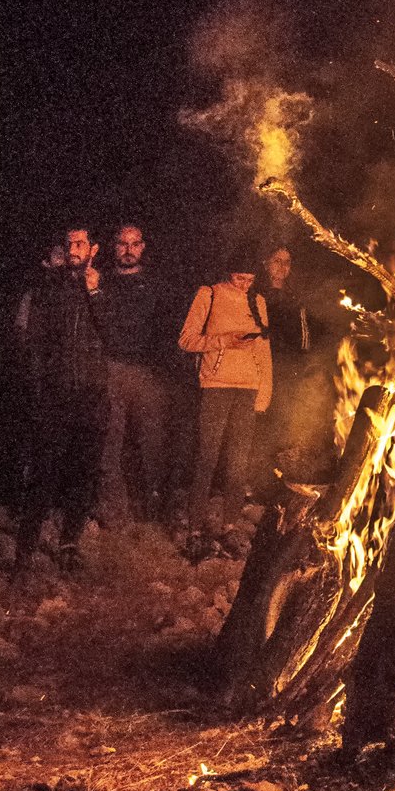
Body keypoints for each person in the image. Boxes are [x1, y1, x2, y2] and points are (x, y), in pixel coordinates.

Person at [14, 226, 107, 582]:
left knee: (83, 473)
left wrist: (95, 291)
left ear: (93, 249)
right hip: (55, 395)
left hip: (91, 395)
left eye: (80, 243)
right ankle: (24, 553)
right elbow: (30, 339)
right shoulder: (48, 287)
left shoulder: (102, 287)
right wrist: (37, 386)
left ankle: (69, 545)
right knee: (43, 473)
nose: (73, 249)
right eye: (69, 243)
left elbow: (114, 335)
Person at [178, 245, 272, 556]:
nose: (245, 284)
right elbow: (187, 339)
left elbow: (263, 352)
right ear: (229, 272)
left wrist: (265, 392)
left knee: (238, 462)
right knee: (207, 458)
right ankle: (194, 529)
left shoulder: (257, 301)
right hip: (216, 385)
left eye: (249, 279)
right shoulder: (210, 294)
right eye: (239, 278)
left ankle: (230, 527)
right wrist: (223, 342)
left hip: (247, 389)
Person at [87, 223, 172, 522]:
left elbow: (160, 330)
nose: (128, 250)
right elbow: (106, 328)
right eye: (123, 244)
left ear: (143, 246)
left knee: (151, 444)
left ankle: (150, 511)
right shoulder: (103, 282)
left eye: (134, 244)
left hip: (145, 373)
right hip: (111, 369)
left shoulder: (153, 285)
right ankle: (115, 511)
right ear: (114, 246)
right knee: (110, 443)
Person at [252, 244, 312, 490]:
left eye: (287, 262)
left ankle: (275, 479)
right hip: (260, 368)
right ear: (266, 263)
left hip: (287, 369)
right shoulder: (256, 294)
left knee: (282, 420)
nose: (282, 267)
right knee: (257, 421)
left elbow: (304, 335)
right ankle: (253, 478)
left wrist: (302, 365)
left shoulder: (294, 297)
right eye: (277, 260)